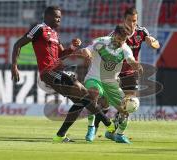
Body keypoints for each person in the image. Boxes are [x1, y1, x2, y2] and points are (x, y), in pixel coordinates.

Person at [11, 6, 115, 143]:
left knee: (80, 101)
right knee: (84, 93)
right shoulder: (39, 28)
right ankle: (109, 125)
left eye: (60, 17)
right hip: (49, 72)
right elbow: (18, 44)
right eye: (56, 16)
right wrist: (14, 66)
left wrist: (72, 47)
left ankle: (60, 135)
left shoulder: (54, 34)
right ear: (47, 16)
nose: (59, 19)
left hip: (58, 70)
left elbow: (61, 55)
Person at [86, 7, 161, 143]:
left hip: (130, 73)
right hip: (114, 73)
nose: (132, 24)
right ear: (124, 20)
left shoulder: (142, 32)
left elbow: (155, 44)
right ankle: (94, 128)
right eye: (129, 20)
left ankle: (116, 133)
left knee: (128, 104)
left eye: (134, 21)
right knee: (104, 103)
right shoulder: (113, 35)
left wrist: (152, 42)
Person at [78, 24, 143, 143]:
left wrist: (136, 65)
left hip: (111, 83)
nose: (120, 42)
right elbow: (86, 49)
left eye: (123, 40)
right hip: (94, 78)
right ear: (114, 34)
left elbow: (131, 60)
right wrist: (85, 52)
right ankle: (91, 128)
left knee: (126, 107)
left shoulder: (125, 48)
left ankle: (118, 134)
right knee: (94, 94)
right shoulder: (101, 41)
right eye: (119, 38)